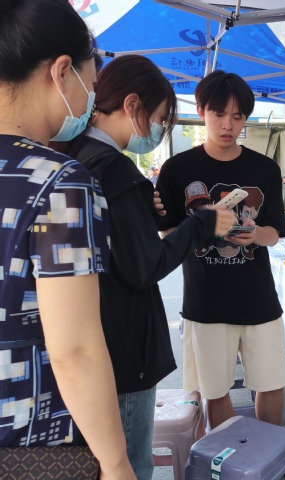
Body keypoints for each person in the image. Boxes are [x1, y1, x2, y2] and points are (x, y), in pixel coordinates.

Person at [52, 55, 236, 479]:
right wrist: (202, 224)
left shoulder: (77, 157)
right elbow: (145, 266)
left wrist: (144, 214)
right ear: (132, 105)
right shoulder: (113, 168)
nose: (157, 130)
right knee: (132, 462)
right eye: (159, 118)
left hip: (94, 339)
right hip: (123, 349)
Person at [0, 1, 135, 478]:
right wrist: (116, 462)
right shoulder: (59, 182)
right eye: (90, 86)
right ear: (60, 72)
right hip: (31, 444)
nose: (89, 103)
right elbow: (74, 350)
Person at [156, 71, 285, 432]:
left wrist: (254, 234)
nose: (228, 125)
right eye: (219, 114)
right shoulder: (177, 169)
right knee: (214, 388)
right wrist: (202, 227)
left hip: (258, 296)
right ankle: (229, 456)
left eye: (237, 116)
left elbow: (274, 233)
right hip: (205, 299)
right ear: (202, 111)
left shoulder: (264, 168)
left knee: (272, 381)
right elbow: (168, 231)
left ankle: (267, 451)